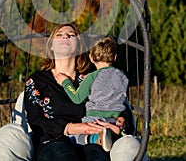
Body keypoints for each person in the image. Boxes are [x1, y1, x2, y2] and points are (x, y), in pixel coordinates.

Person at [24, 23, 140, 161]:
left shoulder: (94, 77)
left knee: (97, 157)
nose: (65, 36)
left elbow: (120, 105)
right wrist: (72, 128)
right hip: (54, 142)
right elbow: (36, 121)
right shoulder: (38, 80)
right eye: (59, 35)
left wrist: (119, 122)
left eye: (71, 35)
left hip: (93, 141)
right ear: (51, 46)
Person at [54, 36, 129, 151]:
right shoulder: (123, 76)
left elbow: (77, 98)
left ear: (91, 57)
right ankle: (112, 133)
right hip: (114, 118)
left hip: (95, 119)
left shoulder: (91, 77)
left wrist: (65, 83)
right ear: (114, 57)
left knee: (74, 138)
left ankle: (94, 139)